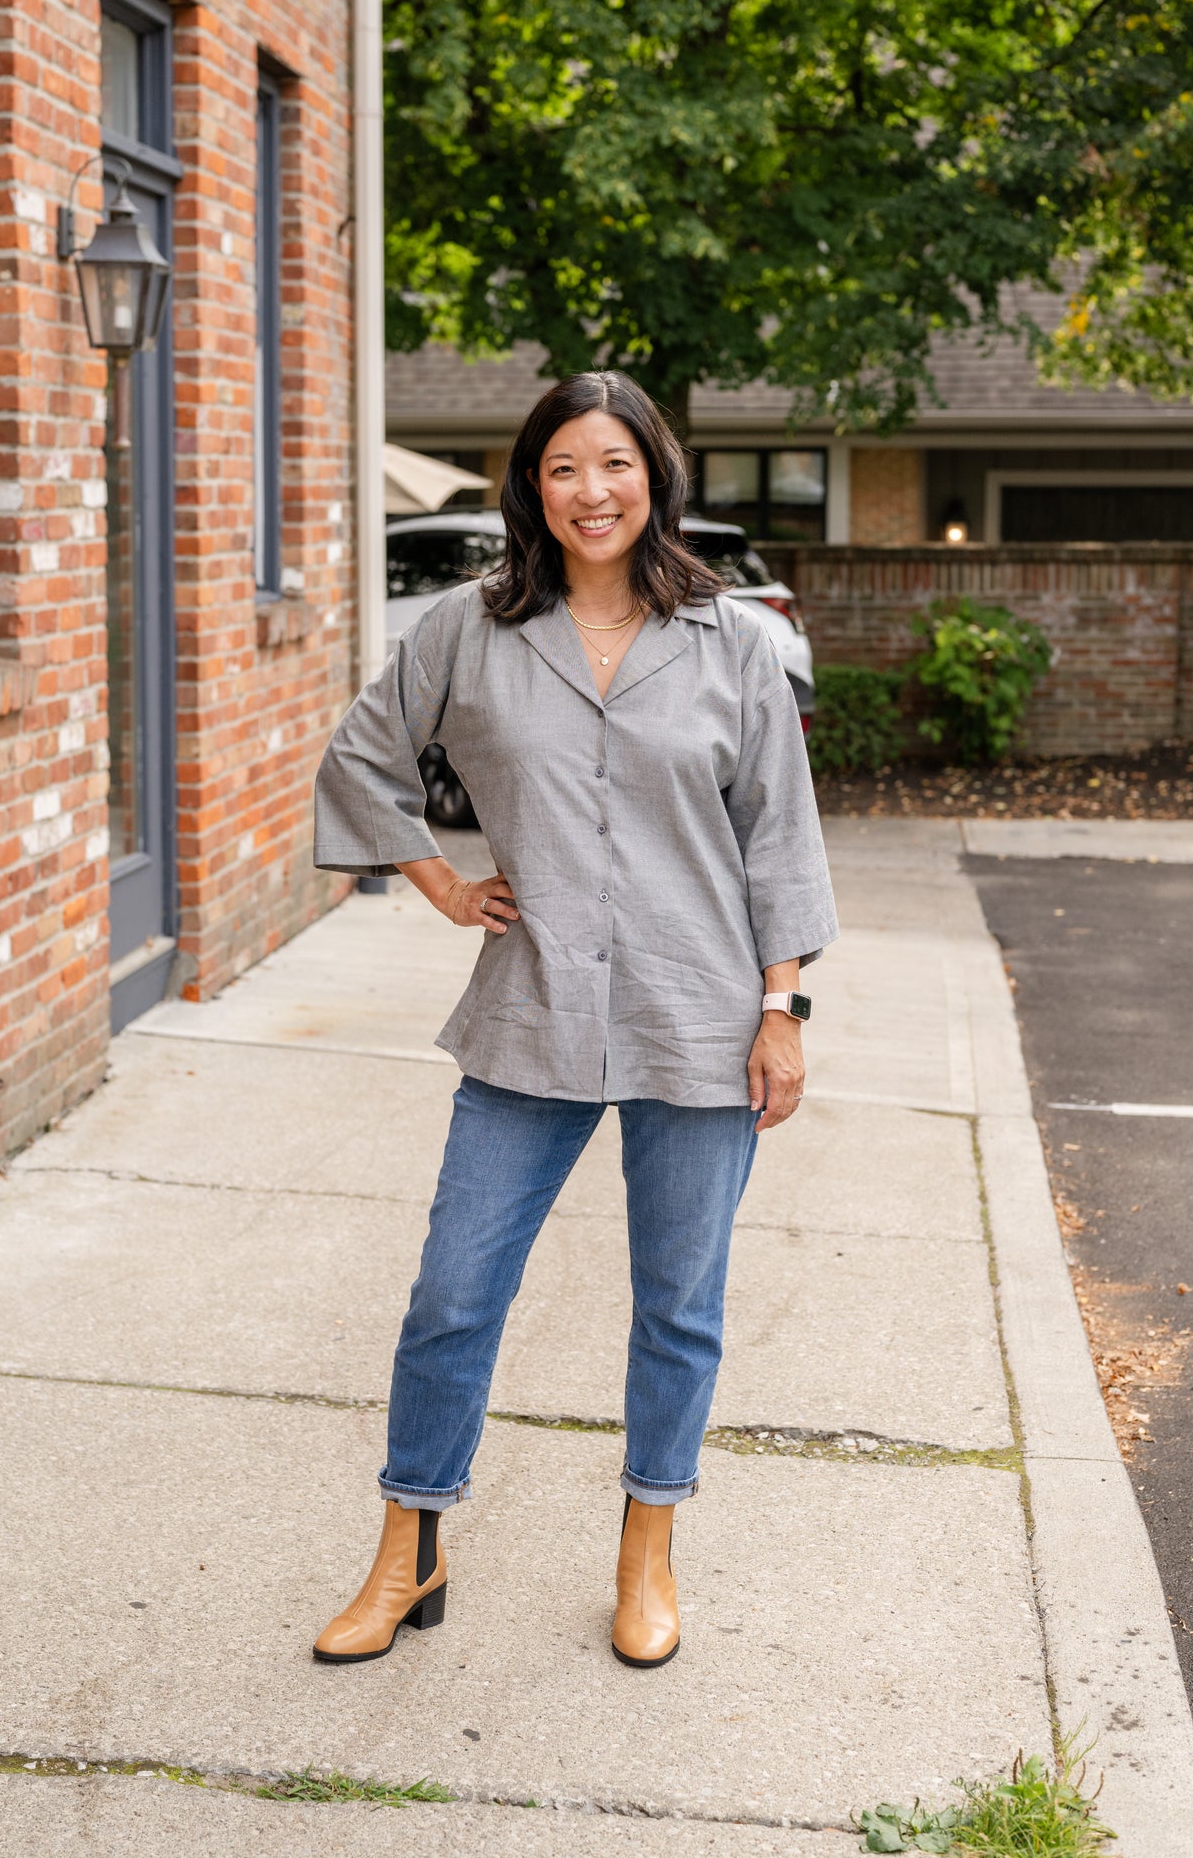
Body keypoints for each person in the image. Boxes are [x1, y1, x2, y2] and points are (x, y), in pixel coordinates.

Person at [310, 370, 837, 1668]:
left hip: (698, 1015)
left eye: (612, 465)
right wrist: (437, 881)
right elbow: (361, 757)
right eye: (561, 468)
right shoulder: (465, 631)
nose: (588, 492)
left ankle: (647, 1551)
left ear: (651, 475)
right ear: (529, 488)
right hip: (529, 1013)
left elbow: (779, 838)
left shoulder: (734, 647)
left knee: (678, 1305)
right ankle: (408, 1547)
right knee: (452, 1293)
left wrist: (782, 1012)